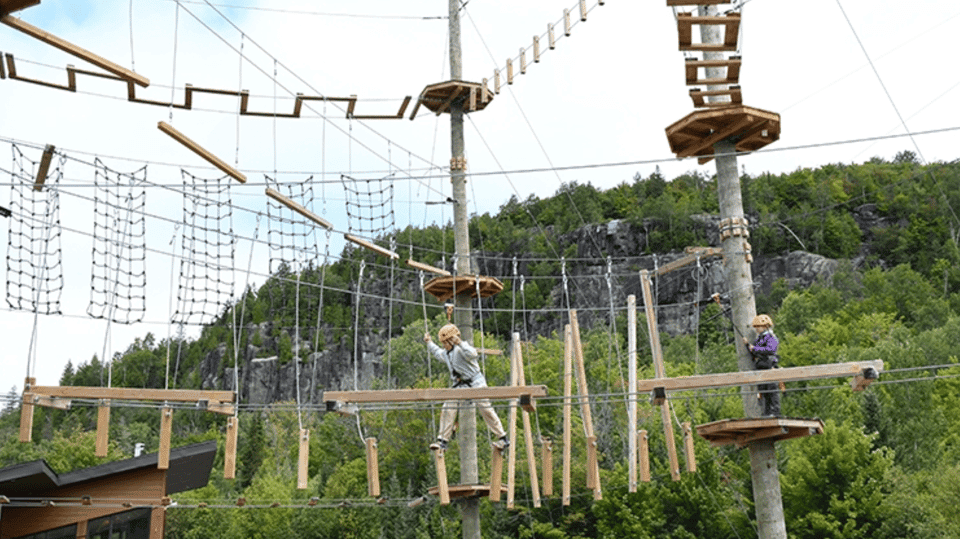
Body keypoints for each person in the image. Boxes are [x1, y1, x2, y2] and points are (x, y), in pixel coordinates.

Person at [424, 323, 509, 452]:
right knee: (448, 407)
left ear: (451, 340)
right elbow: (437, 352)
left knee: (485, 408)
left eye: (445, 342)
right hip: (460, 386)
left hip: (476, 383)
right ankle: (442, 441)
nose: (443, 345)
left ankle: (502, 437)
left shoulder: (461, 349)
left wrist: (460, 343)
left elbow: (473, 354)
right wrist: (429, 342)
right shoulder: (447, 354)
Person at [744, 314, 781, 417]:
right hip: (761, 366)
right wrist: (748, 346)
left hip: (769, 365)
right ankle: (767, 412)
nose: (756, 329)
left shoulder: (770, 337)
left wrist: (755, 349)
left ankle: (775, 412)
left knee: (772, 390)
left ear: (765, 326)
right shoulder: (759, 339)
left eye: (758, 326)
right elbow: (755, 352)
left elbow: (771, 349)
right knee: (763, 391)